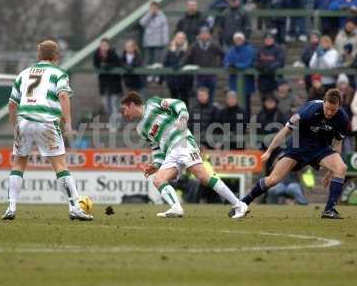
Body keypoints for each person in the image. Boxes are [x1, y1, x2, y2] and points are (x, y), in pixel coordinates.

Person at [2, 40, 92, 221]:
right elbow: (64, 95)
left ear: (38, 56)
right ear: (56, 57)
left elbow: (12, 104)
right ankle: (74, 207)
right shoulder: (58, 73)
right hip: (46, 122)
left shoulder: (23, 74)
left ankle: (11, 207)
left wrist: (15, 126)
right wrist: (68, 124)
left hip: (24, 121)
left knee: (19, 163)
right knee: (60, 165)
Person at [120, 92, 248, 218]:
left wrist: (182, 116)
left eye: (125, 109)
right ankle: (176, 208)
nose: (125, 113)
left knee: (203, 177)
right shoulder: (141, 129)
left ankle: (239, 204)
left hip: (183, 142)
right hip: (171, 152)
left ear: (132, 104)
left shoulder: (152, 103)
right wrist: (156, 164)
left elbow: (177, 103)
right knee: (159, 180)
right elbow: (156, 148)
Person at [232, 89, 349, 219]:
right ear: (324, 103)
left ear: (339, 106)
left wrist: (331, 171)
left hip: (321, 149)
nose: (329, 112)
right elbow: (285, 131)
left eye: (333, 110)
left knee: (341, 168)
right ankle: (243, 202)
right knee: (273, 180)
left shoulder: (342, 118)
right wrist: (269, 151)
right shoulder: (308, 111)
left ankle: (329, 210)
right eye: (327, 108)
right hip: (298, 147)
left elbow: (337, 143)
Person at [182, 26, 224, 103]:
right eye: (202, 34)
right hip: (199, 76)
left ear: (209, 35)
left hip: (211, 76)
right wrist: (181, 64)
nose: (204, 36)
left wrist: (221, 65)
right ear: (199, 35)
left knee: (211, 97)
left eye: (206, 33)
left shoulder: (214, 45)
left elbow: (223, 54)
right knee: (199, 98)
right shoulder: (194, 46)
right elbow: (187, 57)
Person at [93, 38, 122, 131]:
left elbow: (117, 63)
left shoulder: (113, 53)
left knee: (114, 104)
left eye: (105, 45)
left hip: (114, 83)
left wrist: (107, 65)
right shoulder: (97, 54)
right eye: (102, 45)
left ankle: (115, 124)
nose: (103, 47)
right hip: (103, 84)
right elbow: (96, 64)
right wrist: (101, 65)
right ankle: (113, 121)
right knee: (106, 104)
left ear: (108, 46)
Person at [224, 32, 255, 115]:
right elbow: (226, 61)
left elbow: (249, 63)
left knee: (246, 104)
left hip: (246, 82)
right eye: (236, 39)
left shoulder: (249, 50)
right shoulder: (231, 50)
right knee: (233, 103)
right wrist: (230, 65)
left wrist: (236, 65)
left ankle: (246, 124)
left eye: (239, 39)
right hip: (233, 82)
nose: (238, 41)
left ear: (243, 40)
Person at [163, 32, 193, 106]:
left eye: (182, 38)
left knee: (185, 102)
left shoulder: (188, 50)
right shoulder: (170, 50)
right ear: (175, 39)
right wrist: (172, 52)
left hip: (185, 81)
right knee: (174, 102)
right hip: (172, 81)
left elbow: (188, 63)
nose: (180, 40)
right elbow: (165, 63)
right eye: (178, 38)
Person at [139, 1, 169, 67]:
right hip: (148, 42)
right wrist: (150, 14)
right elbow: (142, 23)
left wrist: (165, 41)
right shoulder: (147, 15)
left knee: (157, 61)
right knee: (148, 60)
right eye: (152, 8)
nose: (154, 9)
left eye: (155, 8)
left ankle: (156, 76)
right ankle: (148, 75)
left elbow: (165, 30)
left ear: (158, 8)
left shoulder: (162, 16)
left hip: (158, 42)